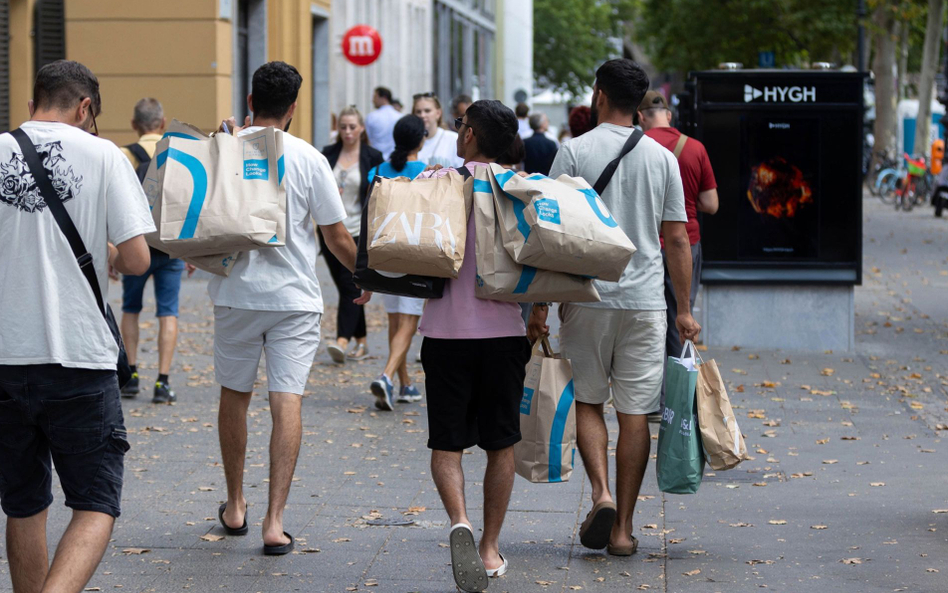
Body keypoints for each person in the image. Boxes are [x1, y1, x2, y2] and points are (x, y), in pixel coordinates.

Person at [0, 60, 153, 593]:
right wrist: (103, 248)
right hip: (78, 359)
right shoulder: (104, 155)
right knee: (94, 503)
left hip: (5, 355)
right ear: (86, 107)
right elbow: (136, 261)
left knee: (22, 504)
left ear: (33, 103)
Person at [536, 59, 700, 557]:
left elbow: (549, 233)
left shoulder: (573, 151)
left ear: (600, 95)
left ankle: (601, 494)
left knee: (588, 400)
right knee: (634, 413)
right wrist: (684, 310)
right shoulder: (661, 157)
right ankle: (624, 529)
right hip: (648, 302)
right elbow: (676, 238)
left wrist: (538, 306)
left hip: (588, 298)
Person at [213, 61, 363, 555]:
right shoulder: (308, 158)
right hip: (295, 300)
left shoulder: (227, 148)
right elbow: (336, 236)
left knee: (235, 394)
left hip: (236, 293)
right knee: (287, 401)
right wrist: (363, 275)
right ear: (294, 107)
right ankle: (274, 523)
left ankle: (235, 505)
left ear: (251, 100)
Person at [418, 100, 527, 591]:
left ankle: (458, 520)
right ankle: (488, 547)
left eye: (461, 125)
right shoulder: (518, 190)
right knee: (500, 443)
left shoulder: (437, 181)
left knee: (447, 442)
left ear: (469, 137)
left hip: (444, 332)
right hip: (503, 334)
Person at [118, 97, 195, 404]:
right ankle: (162, 382)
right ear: (162, 124)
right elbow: (189, 203)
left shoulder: (124, 155)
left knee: (130, 308)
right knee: (168, 312)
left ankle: (132, 375)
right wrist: (190, 250)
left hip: (135, 244)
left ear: (134, 125)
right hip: (169, 247)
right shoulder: (176, 154)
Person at [637, 90, 718, 373]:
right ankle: (675, 401)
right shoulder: (695, 148)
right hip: (686, 242)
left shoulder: (636, 148)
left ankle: (648, 395)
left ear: (640, 117)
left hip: (644, 243)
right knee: (680, 318)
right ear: (668, 115)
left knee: (645, 321)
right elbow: (711, 204)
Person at [366, 114, 429, 410]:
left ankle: (405, 384)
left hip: (382, 253)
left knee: (395, 322)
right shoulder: (427, 174)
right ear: (421, 139)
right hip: (413, 253)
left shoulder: (377, 170)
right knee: (408, 323)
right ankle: (387, 375)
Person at [321, 107, 384, 363]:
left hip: (359, 231)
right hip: (330, 230)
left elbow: (380, 191)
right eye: (343, 127)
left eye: (352, 127)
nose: (347, 132)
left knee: (350, 285)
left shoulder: (372, 156)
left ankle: (341, 341)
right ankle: (362, 342)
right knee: (347, 288)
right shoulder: (328, 154)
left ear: (361, 129)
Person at [414, 92, 462, 168]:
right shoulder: (409, 141)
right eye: (418, 112)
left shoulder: (453, 139)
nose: (422, 115)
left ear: (438, 113)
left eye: (427, 111)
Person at [365, 86, 401, 159]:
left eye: (375, 97)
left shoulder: (371, 117)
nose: (373, 100)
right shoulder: (400, 117)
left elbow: (367, 140)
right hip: (395, 159)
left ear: (383, 97)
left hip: (375, 159)